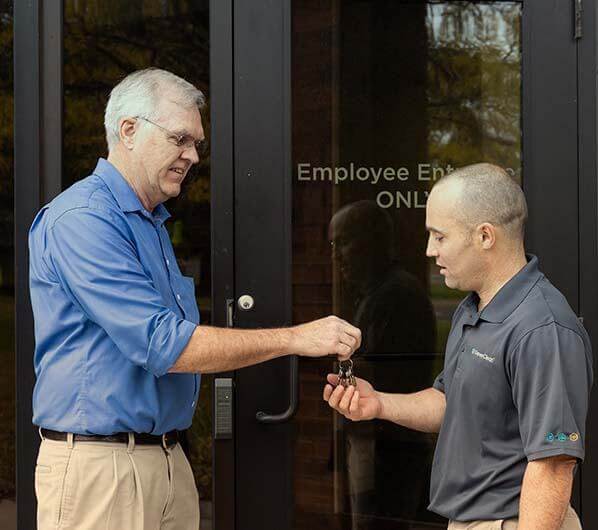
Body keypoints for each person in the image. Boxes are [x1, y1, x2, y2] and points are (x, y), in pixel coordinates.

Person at [29, 68, 361, 530]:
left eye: (197, 144)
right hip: (102, 470)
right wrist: (296, 338)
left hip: (165, 459)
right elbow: (165, 345)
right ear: (128, 130)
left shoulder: (149, 222)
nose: (192, 155)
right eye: (180, 138)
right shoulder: (82, 219)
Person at [323, 163, 592, 530]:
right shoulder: (474, 309)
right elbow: (452, 402)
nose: (429, 250)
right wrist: (380, 403)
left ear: (485, 236)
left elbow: (554, 464)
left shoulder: (541, 328)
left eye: (440, 236)